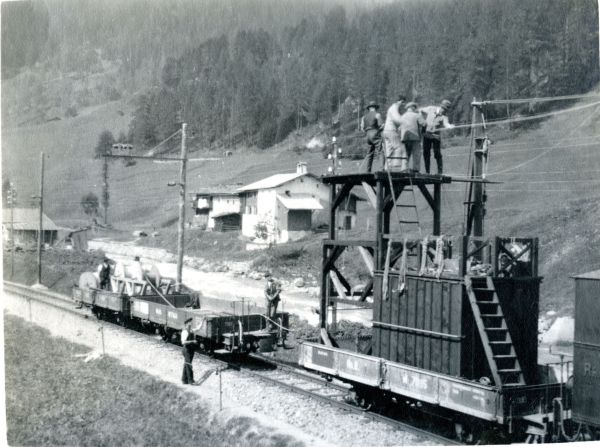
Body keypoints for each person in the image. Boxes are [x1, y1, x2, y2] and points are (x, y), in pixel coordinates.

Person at [420, 99, 455, 174]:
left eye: (446, 110)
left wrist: (450, 126)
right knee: (426, 153)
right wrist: (422, 121)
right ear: (441, 107)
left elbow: (446, 124)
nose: (444, 111)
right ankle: (427, 172)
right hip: (427, 135)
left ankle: (440, 172)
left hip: (436, 136)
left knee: (437, 153)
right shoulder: (431, 109)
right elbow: (420, 111)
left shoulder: (444, 117)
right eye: (444, 109)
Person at [399, 102, 426, 172]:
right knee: (416, 154)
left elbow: (398, 128)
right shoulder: (417, 115)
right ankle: (415, 169)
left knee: (405, 154)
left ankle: (404, 169)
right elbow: (424, 124)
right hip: (414, 137)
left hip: (404, 138)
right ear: (413, 107)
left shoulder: (402, 116)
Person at [382, 96, 406, 170]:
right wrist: (405, 121)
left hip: (386, 131)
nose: (403, 104)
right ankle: (396, 165)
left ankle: (387, 168)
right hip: (391, 130)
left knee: (389, 150)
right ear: (398, 101)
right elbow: (397, 119)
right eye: (402, 102)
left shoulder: (391, 108)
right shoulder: (394, 108)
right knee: (399, 148)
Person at [360, 101, 383, 172]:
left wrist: (368, 132)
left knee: (370, 153)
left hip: (367, 135)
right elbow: (381, 125)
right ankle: (382, 169)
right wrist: (380, 129)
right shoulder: (377, 115)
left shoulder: (363, 117)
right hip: (375, 133)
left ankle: (368, 170)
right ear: (375, 108)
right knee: (381, 151)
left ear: (369, 108)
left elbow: (362, 128)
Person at [181, 318, 197, 385]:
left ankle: (184, 380)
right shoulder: (185, 332)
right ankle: (190, 380)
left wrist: (202, 321)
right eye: (190, 322)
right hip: (186, 349)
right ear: (187, 323)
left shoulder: (191, 330)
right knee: (188, 364)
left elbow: (198, 328)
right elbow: (183, 342)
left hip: (190, 349)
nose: (191, 323)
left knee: (186, 364)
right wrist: (192, 341)